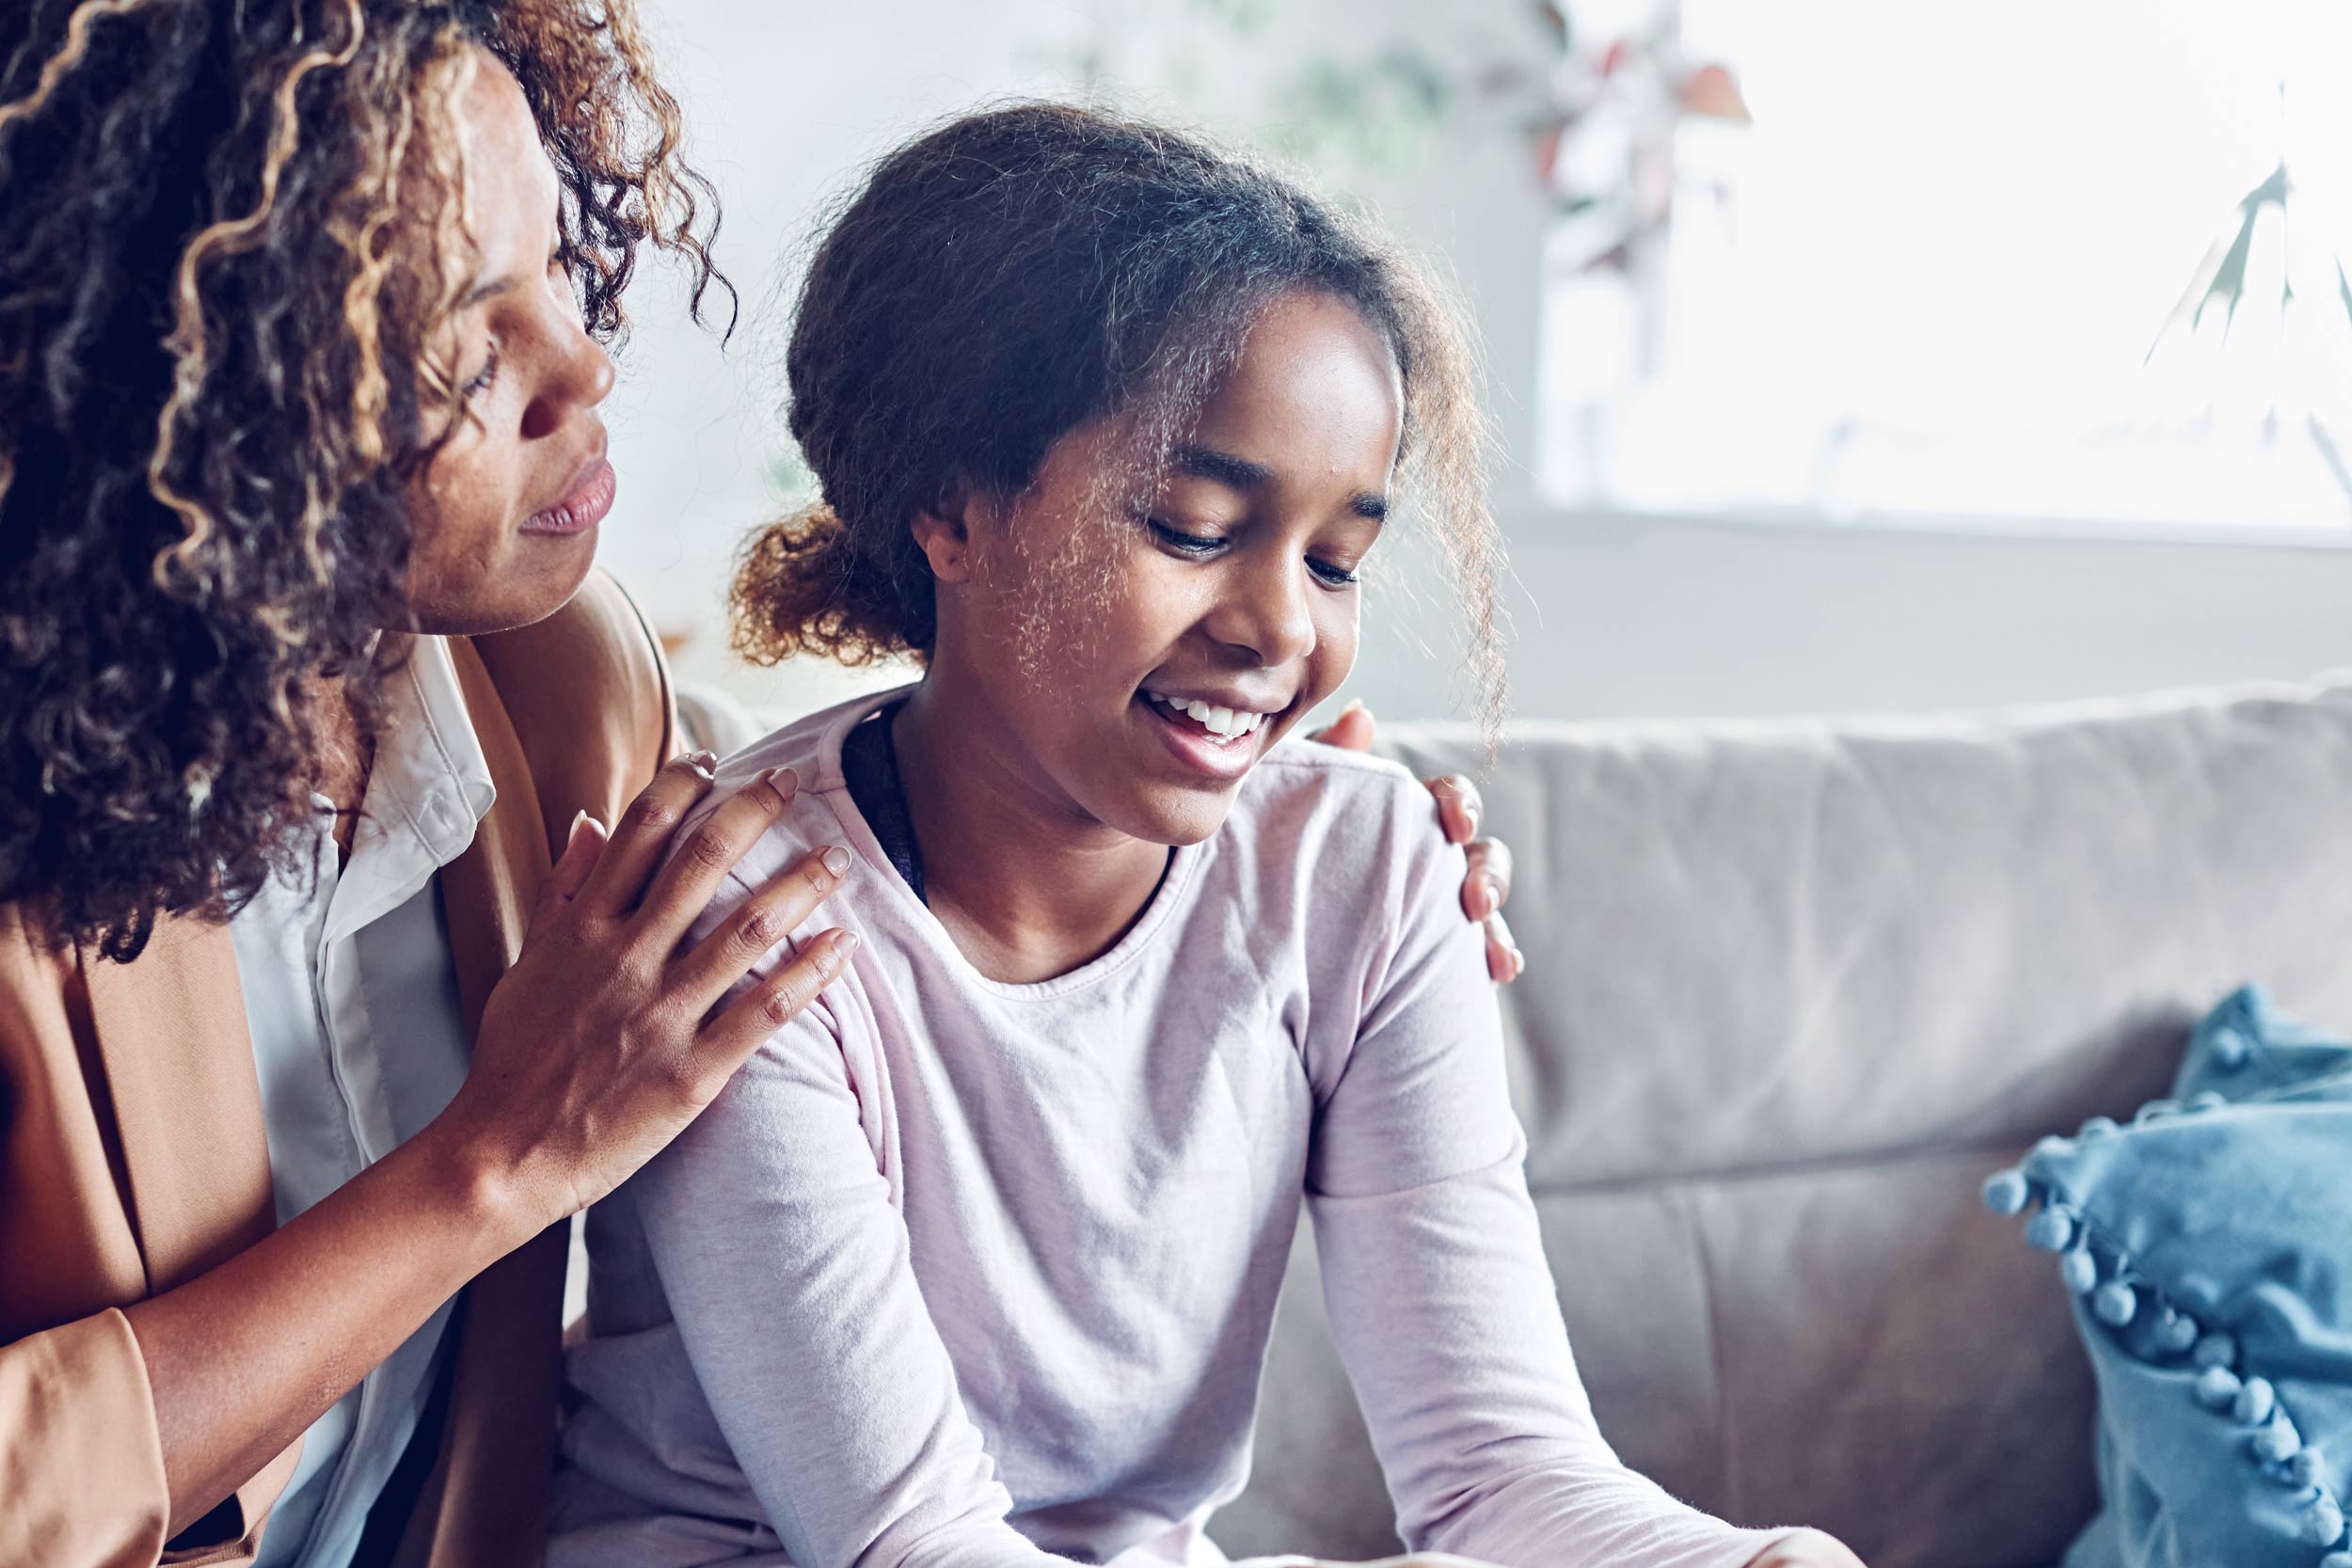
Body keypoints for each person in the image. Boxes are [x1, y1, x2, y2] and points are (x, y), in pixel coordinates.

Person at [0, 12, 1515, 1566]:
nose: (583, 366)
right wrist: (494, 1159)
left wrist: (1276, 784)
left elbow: (900, 791)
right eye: (468, 337)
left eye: (559, 279)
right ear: (169, 393)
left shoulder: (556, 689)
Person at [552, 104, 1863, 1568]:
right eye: (1189, 527)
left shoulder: (1360, 874)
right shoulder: (748, 924)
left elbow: (1499, 1480)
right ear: (949, 506)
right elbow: (908, 1544)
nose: (1281, 629)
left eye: (1336, 559)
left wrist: (1755, 1560)